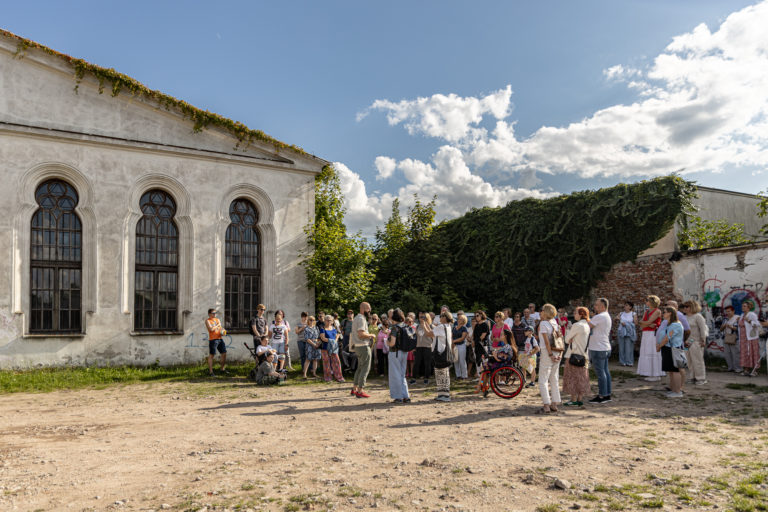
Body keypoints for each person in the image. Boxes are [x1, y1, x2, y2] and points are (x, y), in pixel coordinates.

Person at [563, 307, 591, 406]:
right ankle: (580, 398)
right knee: (581, 378)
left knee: (572, 377)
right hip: (584, 355)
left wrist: (569, 334)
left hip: (573, 354)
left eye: (576, 313)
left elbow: (567, 339)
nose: (574, 314)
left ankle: (573, 399)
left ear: (581, 314)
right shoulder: (587, 325)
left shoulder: (576, 325)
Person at [536, 304, 562, 413]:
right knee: (554, 378)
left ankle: (546, 404)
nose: (540, 312)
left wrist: (550, 354)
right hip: (557, 351)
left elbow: (546, 341)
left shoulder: (544, 324)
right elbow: (560, 338)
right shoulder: (555, 323)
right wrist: (559, 354)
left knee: (543, 379)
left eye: (541, 310)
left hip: (548, 352)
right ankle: (555, 403)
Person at [588, 298, 612, 404]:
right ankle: (607, 394)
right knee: (605, 371)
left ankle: (602, 395)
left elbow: (588, 326)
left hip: (598, 347)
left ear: (602, 306)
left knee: (600, 373)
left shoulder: (599, 316)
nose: (594, 307)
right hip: (604, 346)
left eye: (597, 305)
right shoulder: (606, 316)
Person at [349, 302, 376, 398]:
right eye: (368, 308)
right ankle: (360, 390)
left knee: (360, 368)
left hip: (358, 346)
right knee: (365, 368)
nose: (370, 310)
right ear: (363, 308)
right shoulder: (361, 319)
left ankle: (354, 389)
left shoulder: (356, 318)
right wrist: (372, 335)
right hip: (363, 346)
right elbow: (361, 334)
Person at [657, 307, 685, 397]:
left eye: (664, 312)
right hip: (668, 349)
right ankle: (673, 389)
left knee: (675, 370)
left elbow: (667, 337)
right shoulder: (670, 324)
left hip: (673, 349)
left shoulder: (675, 325)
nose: (663, 314)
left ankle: (677, 391)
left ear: (670, 313)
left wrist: (659, 346)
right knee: (671, 371)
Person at [387, 309, 411, 404]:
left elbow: (392, 343)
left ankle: (398, 397)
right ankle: (406, 396)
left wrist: (386, 342)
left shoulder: (394, 328)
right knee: (402, 374)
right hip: (404, 352)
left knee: (395, 375)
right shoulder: (405, 326)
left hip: (395, 352)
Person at [429, 310, 454, 402]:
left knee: (440, 373)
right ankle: (443, 394)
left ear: (444, 318)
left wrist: (424, 325)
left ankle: (444, 395)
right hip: (446, 352)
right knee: (445, 373)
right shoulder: (448, 326)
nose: (439, 318)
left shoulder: (441, 326)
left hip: (440, 352)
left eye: (441, 316)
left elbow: (429, 334)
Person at [682, 300, 709, 385]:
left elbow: (703, 329)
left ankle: (701, 378)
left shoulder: (698, 316)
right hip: (687, 341)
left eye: (687, 306)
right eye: (684, 306)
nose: (685, 308)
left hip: (696, 340)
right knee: (689, 360)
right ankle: (692, 377)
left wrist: (703, 339)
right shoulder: (684, 317)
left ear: (692, 307)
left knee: (697, 360)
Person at [637, 295, 663, 381]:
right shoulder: (646, 311)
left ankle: (656, 374)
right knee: (646, 352)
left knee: (653, 352)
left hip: (653, 333)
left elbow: (646, 322)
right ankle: (650, 372)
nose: (646, 302)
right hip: (646, 333)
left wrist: (644, 323)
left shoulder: (657, 311)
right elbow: (641, 323)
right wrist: (646, 323)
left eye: (647, 300)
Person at [738, 301, 761, 377]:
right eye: (742, 306)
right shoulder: (742, 315)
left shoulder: (752, 314)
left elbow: (757, 324)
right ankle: (746, 370)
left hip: (751, 337)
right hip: (743, 338)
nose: (742, 307)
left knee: (753, 353)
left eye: (744, 306)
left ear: (748, 307)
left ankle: (755, 370)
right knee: (745, 354)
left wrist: (749, 321)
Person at [319, 314, 344, 382]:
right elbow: (323, 338)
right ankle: (328, 378)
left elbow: (337, 336)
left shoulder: (334, 328)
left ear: (332, 321)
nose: (328, 321)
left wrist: (334, 341)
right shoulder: (322, 329)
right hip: (325, 348)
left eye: (330, 320)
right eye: (327, 320)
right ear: (324, 321)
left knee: (337, 362)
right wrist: (331, 341)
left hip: (334, 348)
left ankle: (339, 377)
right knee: (326, 363)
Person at [412, 312, 434, 385]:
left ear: (427, 318)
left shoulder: (431, 326)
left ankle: (426, 378)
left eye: (423, 317)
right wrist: (414, 347)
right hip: (418, 347)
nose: (421, 318)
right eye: (420, 317)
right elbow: (416, 337)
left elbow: (432, 336)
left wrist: (425, 324)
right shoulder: (418, 326)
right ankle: (413, 378)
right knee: (416, 363)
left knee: (427, 364)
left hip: (427, 347)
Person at [205, 308, 228, 377]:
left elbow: (221, 328)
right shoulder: (207, 321)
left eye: (215, 313)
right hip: (213, 340)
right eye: (213, 313)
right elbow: (211, 329)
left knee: (224, 353)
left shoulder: (217, 320)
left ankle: (222, 369)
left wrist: (223, 332)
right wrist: (217, 325)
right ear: (209, 314)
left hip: (219, 338)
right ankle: (211, 372)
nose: (214, 314)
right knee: (212, 355)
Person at [720, 305, 742, 372]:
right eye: (726, 311)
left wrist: (730, 327)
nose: (727, 313)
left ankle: (738, 368)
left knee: (735, 353)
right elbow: (721, 329)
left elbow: (738, 328)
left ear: (733, 311)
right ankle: (730, 367)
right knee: (727, 353)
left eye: (729, 311)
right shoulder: (725, 319)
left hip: (734, 338)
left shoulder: (737, 318)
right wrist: (724, 326)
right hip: (726, 337)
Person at [616, 302, 637, 367]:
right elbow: (616, 319)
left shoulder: (633, 314)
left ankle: (629, 362)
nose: (625, 306)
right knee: (621, 347)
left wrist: (627, 324)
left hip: (629, 332)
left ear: (630, 307)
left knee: (629, 347)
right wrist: (617, 318)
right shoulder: (621, 313)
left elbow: (636, 323)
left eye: (626, 305)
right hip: (621, 331)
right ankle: (622, 362)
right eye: (624, 305)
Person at [472, 310, 490, 378]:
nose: (476, 317)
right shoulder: (476, 325)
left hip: (482, 345)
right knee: (477, 361)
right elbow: (474, 335)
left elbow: (483, 336)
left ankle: (485, 377)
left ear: (481, 315)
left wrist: (476, 341)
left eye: (477, 316)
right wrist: (473, 341)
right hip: (476, 345)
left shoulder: (485, 324)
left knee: (485, 361)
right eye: (475, 316)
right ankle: (479, 377)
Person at [452, 314, 469, 380]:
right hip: (455, 346)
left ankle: (464, 375)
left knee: (462, 361)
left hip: (461, 345)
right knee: (456, 361)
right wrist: (452, 343)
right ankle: (458, 375)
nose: (459, 320)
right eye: (458, 319)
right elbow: (451, 336)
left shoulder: (464, 328)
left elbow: (462, 338)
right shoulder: (454, 327)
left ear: (464, 320)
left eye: (461, 319)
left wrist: (454, 341)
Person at [406, 313, 417, 378]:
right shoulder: (404, 328)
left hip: (412, 346)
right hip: (406, 346)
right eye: (409, 322)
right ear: (406, 322)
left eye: (411, 322)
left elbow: (415, 338)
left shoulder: (414, 328)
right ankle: (407, 373)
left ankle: (412, 373)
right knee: (406, 361)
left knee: (412, 361)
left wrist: (414, 347)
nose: (410, 323)